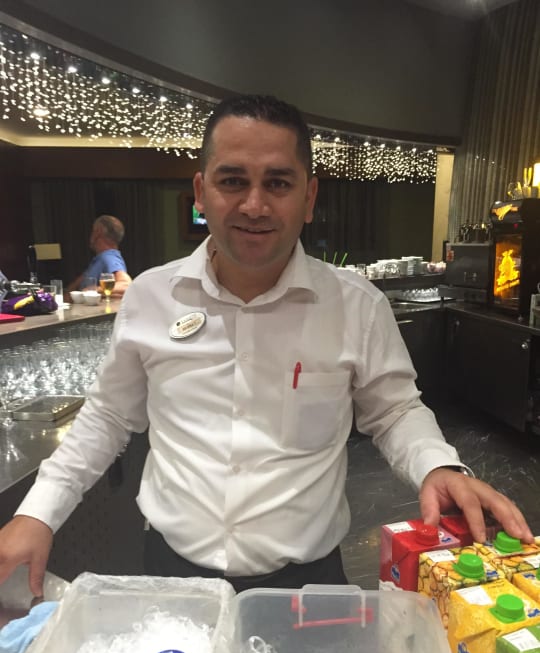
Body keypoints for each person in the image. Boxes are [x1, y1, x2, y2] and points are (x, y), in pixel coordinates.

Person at [0, 95, 533, 596]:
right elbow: (108, 416)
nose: (254, 205)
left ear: (309, 197)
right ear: (201, 191)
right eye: (233, 180)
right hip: (173, 574)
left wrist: (438, 467)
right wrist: (38, 511)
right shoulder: (150, 297)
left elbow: (394, 411)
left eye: (277, 183)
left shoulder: (357, 304)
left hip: (308, 583)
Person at [65, 215, 132, 298]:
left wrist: (92, 291)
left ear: (98, 232)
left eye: (93, 231)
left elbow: (125, 285)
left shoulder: (109, 257)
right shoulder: (100, 260)